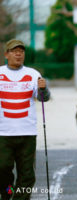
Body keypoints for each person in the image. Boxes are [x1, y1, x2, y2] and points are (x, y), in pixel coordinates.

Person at [0, 39, 50, 200]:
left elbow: (43, 98)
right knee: (2, 169)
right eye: (14, 51)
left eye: (21, 51)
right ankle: (7, 194)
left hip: (27, 133)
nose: (18, 54)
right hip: (3, 133)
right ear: (6, 54)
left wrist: (44, 88)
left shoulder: (33, 74)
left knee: (27, 174)